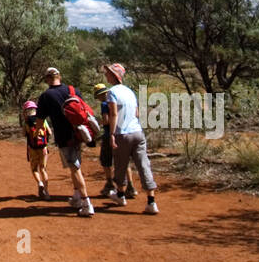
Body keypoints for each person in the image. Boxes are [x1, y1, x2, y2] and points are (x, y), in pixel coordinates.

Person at [35, 67, 95, 216]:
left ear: (48, 79)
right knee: (76, 164)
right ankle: (76, 197)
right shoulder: (73, 90)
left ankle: (86, 202)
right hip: (79, 133)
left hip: (63, 136)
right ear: (59, 77)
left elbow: (40, 119)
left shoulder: (46, 96)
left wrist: (37, 133)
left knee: (75, 168)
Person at [102, 62, 159, 214]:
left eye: (108, 73)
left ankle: (120, 195)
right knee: (143, 165)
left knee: (120, 165)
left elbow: (113, 114)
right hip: (138, 132)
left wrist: (112, 134)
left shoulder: (111, 92)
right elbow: (137, 114)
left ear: (114, 76)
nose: (106, 75)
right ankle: (151, 202)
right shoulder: (130, 92)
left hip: (123, 134)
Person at [19, 100, 51, 200]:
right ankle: (47, 192)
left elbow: (24, 134)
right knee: (43, 169)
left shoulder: (27, 121)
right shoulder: (42, 120)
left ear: (25, 111)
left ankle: (40, 183)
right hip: (43, 148)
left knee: (34, 169)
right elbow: (49, 132)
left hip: (32, 148)